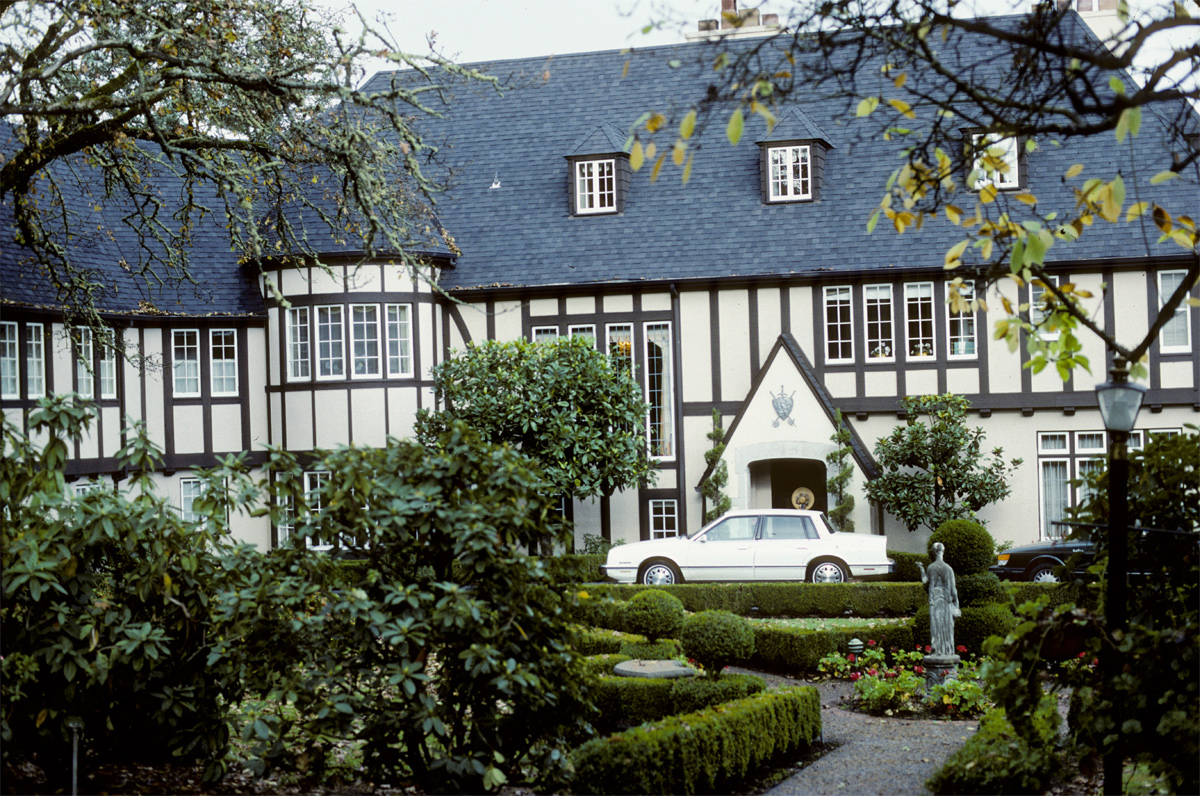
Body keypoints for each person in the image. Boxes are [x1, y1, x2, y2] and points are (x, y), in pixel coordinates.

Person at [917, 542, 961, 657]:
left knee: (936, 627)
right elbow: (954, 590)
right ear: (943, 551)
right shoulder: (948, 568)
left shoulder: (931, 568)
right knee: (947, 627)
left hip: (935, 601)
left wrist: (921, 569)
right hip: (946, 602)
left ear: (933, 552)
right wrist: (957, 606)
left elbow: (925, 581)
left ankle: (936, 651)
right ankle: (947, 651)